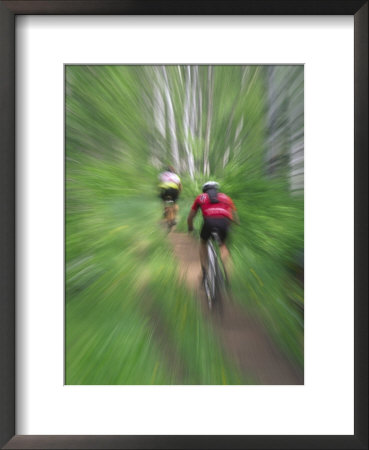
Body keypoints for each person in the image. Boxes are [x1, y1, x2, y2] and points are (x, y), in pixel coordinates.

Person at [187, 181, 239, 281]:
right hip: (224, 223)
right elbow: (235, 218)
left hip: (209, 223)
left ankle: (204, 271)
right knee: (222, 246)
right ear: (216, 189)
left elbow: (190, 217)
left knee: (203, 243)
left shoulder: (200, 197)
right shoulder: (226, 198)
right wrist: (234, 226)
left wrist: (190, 228)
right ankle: (227, 274)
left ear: (204, 190)